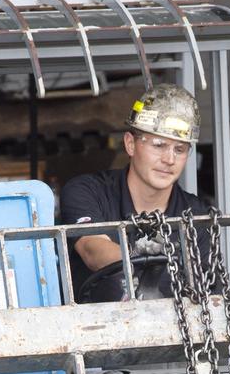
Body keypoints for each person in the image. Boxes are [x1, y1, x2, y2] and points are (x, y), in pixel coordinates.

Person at [58, 83, 207, 302]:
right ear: (130, 144)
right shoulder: (86, 192)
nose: (169, 160)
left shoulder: (194, 214)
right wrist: (138, 257)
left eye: (179, 149)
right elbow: (91, 248)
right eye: (158, 145)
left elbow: (210, 294)